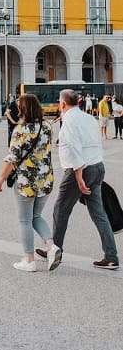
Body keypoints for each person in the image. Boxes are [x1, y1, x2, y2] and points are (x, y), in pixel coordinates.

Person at [42, 89, 119, 271]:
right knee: (99, 213)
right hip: (97, 166)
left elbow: (73, 148)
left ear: (62, 103)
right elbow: (97, 142)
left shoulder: (69, 120)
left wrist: (79, 176)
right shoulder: (88, 118)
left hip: (80, 169)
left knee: (61, 209)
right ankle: (111, 256)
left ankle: (55, 250)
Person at [0, 94, 54, 272]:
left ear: (24, 109)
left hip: (26, 181)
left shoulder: (21, 129)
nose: (16, 108)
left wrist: (1, 179)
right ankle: (51, 247)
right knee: (36, 217)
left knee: (25, 221)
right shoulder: (47, 126)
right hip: (45, 179)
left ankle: (29, 260)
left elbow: (12, 157)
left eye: (19, 106)